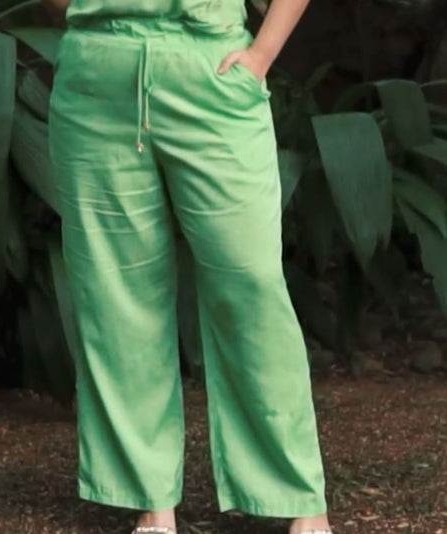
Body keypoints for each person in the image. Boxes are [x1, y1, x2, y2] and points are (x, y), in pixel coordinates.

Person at [45, 1, 333, 533]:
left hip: (213, 72)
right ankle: (151, 502)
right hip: (96, 80)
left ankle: (298, 496)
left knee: (251, 285)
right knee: (115, 295)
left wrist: (262, 55)